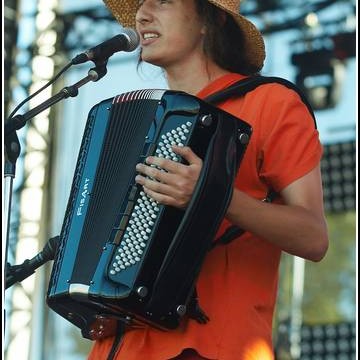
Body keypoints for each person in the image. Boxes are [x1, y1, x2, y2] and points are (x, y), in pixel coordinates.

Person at [89, 0, 329, 359]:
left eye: (163, 2)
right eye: (139, 4)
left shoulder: (270, 102)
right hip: (116, 350)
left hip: (213, 346)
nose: (142, 14)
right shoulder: (132, 121)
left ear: (209, 19)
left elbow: (314, 237)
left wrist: (212, 195)